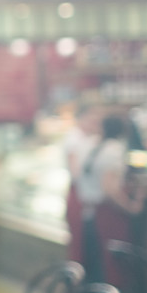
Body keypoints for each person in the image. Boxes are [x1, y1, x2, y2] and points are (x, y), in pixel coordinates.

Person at [77, 115, 143, 284]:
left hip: (88, 213)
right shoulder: (114, 149)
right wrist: (131, 207)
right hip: (108, 214)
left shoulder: (90, 145)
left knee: (94, 265)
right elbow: (110, 189)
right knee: (113, 267)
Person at [61, 104, 100, 265]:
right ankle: (77, 283)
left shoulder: (89, 138)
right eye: (92, 118)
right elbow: (76, 171)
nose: (95, 122)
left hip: (84, 193)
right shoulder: (73, 139)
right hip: (78, 193)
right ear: (82, 118)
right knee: (79, 243)